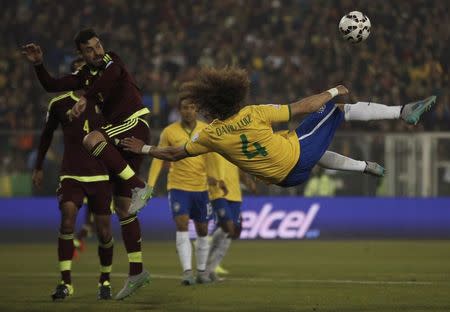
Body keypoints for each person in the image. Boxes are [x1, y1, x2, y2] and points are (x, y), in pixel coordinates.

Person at [121, 67, 437, 188]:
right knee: (337, 110)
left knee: (315, 148)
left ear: (210, 106)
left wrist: (146, 149)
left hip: (285, 178)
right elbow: (304, 107)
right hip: (295, 158)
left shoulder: (211, 135)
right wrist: (332, 90)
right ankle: (403, 112)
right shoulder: (255, 112)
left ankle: (364, 167)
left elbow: (176, 153)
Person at [22, 29, 151, 300]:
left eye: (98, 45)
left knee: (91, 139)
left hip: (133, 121)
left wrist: (85, 99)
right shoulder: (84, 76)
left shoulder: (112, 62)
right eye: (89, 50)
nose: (97, 51)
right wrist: (38, 65)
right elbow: (52, 85)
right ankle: (137, 271)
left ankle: (140, 185)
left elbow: (109, 80)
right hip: (116, 135)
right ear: (81, 54)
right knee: (125, 208)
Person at [32, 58, 114, 300]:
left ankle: (105, 280)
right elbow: (46, 135)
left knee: (104, 231)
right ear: (74, 73)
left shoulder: (105, 101)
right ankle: (65, 282)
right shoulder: (58, 103)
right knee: (68, 219)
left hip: (100, 174)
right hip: (71, 173)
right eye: (79, 69)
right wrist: (38, 166)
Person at [147, 99, 212, 285]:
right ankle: (186, 272)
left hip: (201, 187)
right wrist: (150, 185)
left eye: (192, 107)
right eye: (185, 108)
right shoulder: (169, 131)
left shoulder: (206, 129)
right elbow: (158, 158)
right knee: (182, 224)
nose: (189, 111)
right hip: (178, 187)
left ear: (197, 109)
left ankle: (201, 271)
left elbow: (214, 156)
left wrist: (217, 178)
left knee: (202, 229)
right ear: (179, 110)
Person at [206, 153, 256, 281]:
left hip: (235, 196)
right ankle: (205, 264)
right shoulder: (211, 147)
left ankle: (211, 269)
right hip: (218, 193)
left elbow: (239, 170)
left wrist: (248, 182)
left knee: (232, 232)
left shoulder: (232, 148)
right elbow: (200, 166)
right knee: (228, 228)